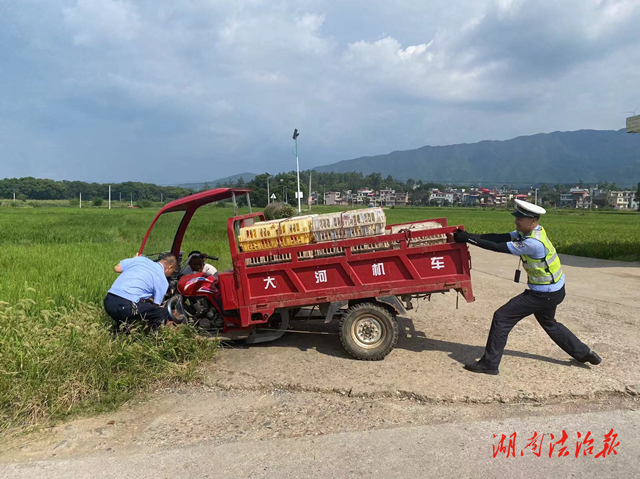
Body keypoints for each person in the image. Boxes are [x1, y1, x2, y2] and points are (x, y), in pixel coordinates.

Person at [454, 199, 602, 375]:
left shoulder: (532, 243)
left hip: (542, 294)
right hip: (554, 290)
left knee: (502, 317)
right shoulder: (531, 232)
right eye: (516, 217)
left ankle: (489, 364)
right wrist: (470, 235)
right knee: (550, 323)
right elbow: (499, 237)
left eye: (520, 219)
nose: (516, 221)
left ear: (533, 221)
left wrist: (469, 239)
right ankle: (585, 353)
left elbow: (498, 247)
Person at [104, 253, 178, 330]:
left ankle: (119, 331)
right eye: (172, 272)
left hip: (108, 302)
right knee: (161, 312)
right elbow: (156, 306)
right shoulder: (162, 280)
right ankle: (153, 338)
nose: (169, 275)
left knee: (129, 314)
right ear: (170, 267)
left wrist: (133, 260)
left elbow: (116, 268)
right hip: (125, 306)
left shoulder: (140, 259)